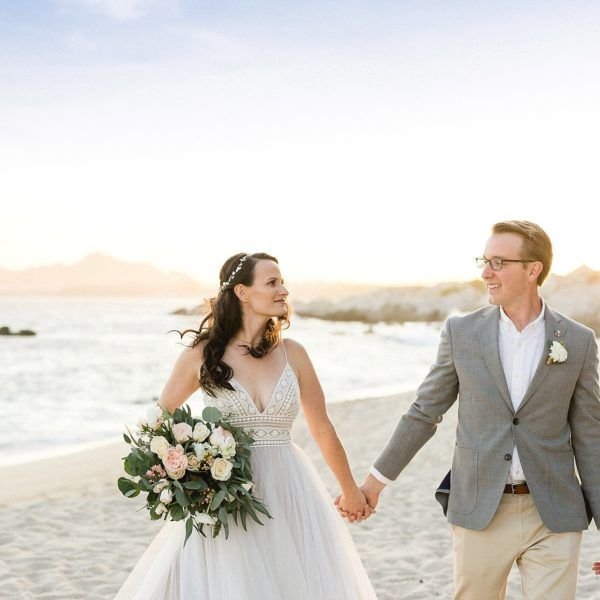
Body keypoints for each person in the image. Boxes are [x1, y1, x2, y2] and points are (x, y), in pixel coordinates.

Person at [338, 221, 600, 599]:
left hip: (556, 512)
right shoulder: (462, 332)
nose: (485, 272)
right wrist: (373, 484)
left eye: (498, 262)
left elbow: (591, 435)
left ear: (532, 269)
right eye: (484, 260)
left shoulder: (576, 339)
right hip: (481, 509)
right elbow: (424, 412)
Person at [115, 252, 376, 600]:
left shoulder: (293, 354)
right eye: (272, 282)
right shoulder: (201, 356)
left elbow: (322, 426)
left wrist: (350, 490)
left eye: (282, 282)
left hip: (289, 489)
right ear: (241, 292)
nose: (283, 290)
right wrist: (186, 471)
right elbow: (158, 423)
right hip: (228, 496)